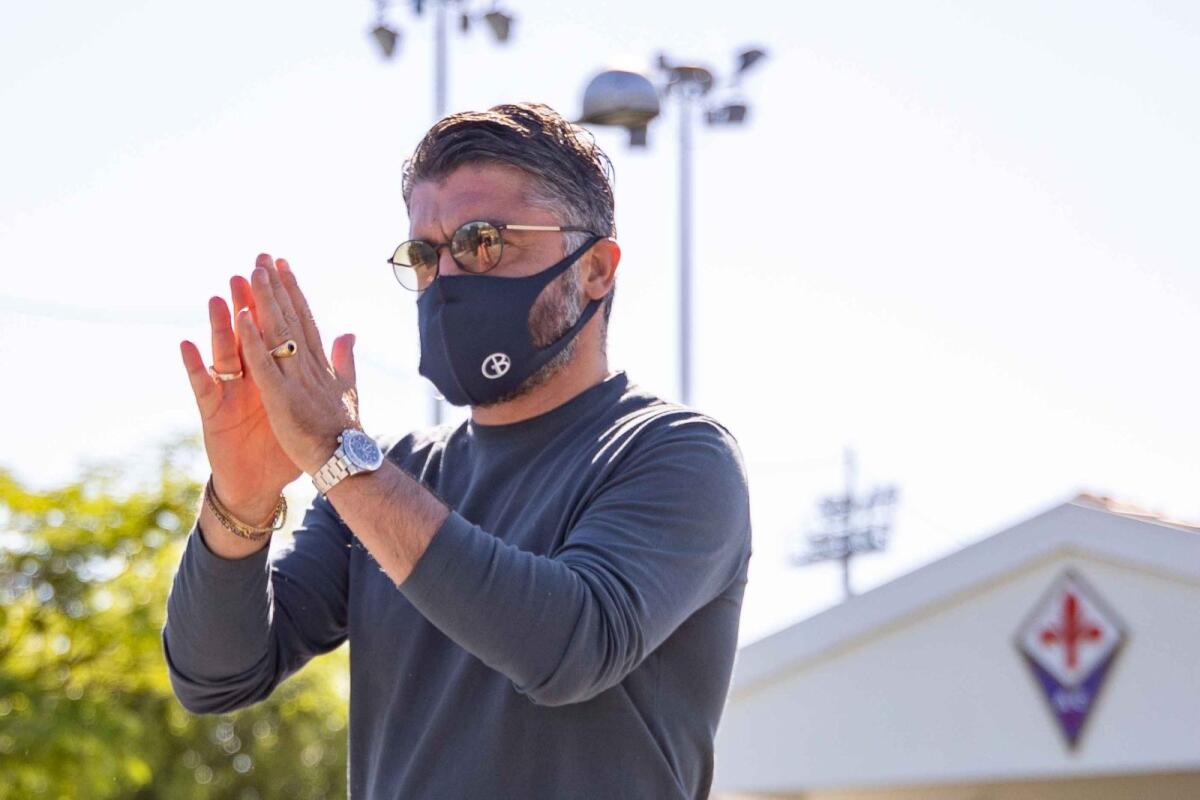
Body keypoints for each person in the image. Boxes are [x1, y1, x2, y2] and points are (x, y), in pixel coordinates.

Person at [165, 101, 752, 799]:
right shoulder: (392, 471)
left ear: (595, 269)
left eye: (483, 242)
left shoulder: (677, 457)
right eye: (425, 255)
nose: (446, 278)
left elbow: (570, 648)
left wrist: (335, 454)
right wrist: (241, 502)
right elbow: (216, 677)